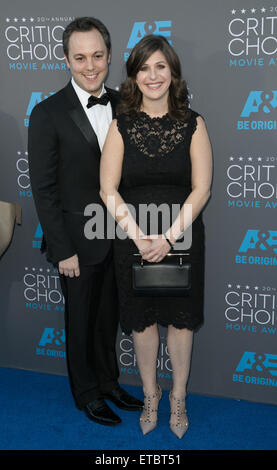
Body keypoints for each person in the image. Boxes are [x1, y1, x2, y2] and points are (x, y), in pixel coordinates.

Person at [28, 16, 143, 427]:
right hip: (76, 242)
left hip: (117, 237)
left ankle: (109, 383)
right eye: (80, 58)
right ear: (66, 60)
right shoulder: (47, 113)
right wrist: (62, 250)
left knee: (108, 317)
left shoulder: (126, 104)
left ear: (110, 56)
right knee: (79, 321)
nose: (90, 65)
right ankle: (87, 393)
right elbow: (43, 189)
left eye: (97, 56)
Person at [100, 34, 212, 438]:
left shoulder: (193, 123)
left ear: (172, 72)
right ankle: (151, 394)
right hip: (133, 240)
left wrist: (167, 237)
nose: (153, 75)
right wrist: (139, 237)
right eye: (144, 67)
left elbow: (202, 189)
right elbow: (107, 190)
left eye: (160, 66)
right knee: (142, 324)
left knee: (180, 324)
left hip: (181, 238)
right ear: (134, 76)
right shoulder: (120, 125)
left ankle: (178, 397)